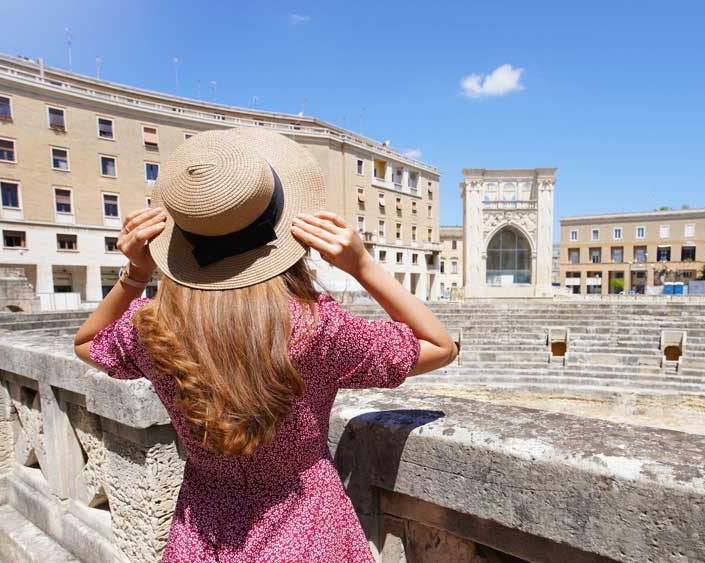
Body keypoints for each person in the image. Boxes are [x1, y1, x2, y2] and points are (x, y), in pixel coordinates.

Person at [73, 128, 457, 562]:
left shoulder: (150, 328)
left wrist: (136, 275)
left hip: (201, 537)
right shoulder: (316, 327)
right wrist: (362, 265)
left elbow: (87, 343)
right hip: (310, 535)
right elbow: (439, 346)